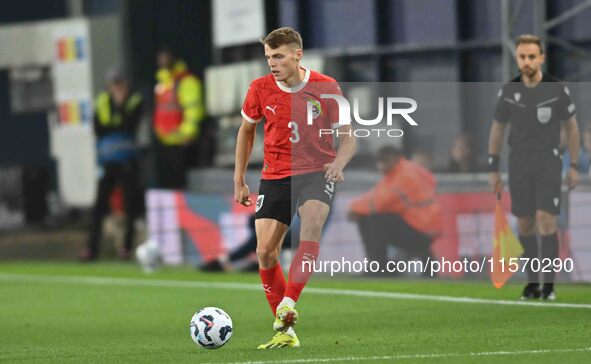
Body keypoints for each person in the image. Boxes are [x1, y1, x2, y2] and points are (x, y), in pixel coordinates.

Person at [233, 27, 356, 349]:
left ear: (297, 55)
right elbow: (246, 131)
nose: (272, 63)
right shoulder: (259, 89)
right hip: (276, 174)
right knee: (264, 251)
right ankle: (285, 330)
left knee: (311, 226)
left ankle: (289, 303)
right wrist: (239, 178)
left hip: (318, 171)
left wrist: (338, 164)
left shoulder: (326, 87)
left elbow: (349, 137)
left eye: (278, 56)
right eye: (268, 57)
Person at [488, 35, 581, 300]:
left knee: (546, 220)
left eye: (531, 57)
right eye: (522, 57)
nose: (526, 62)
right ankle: (532, 283)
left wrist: (573, 164)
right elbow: (497, 128)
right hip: (518, 161)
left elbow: (571, 126)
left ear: (541, 58)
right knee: (526, 223)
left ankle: (549, 285)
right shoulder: (508, 91)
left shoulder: (556, 89)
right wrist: (493, 167)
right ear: (517, 59)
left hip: (548, 159)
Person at [348, 146, 442, 275]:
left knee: (374, 219)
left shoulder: (403, 175)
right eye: (380, 162)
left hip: (421, 229)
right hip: (426, 226)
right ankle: (380, 266)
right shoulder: (407, 169)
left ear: (395, 159)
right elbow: (377, 195)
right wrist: (357, 207)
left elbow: (380, 203)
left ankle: (379, 268)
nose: (381, 166)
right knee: (372, 217)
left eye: (385, 161)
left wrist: (354, 208)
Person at [82, 68, 144, 261]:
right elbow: (99, 128)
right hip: (107, 162)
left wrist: (119, 111)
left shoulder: (134, 101)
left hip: (127, 161)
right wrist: (116, 123)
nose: (117, 88)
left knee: (130, 205)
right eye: (113, 84)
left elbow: (130, 125)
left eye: (120, 84)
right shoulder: (101, 102)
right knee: (99, 207)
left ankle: (126, 247)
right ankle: (91, 249)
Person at [153, 47, 205, 189]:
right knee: (171, 183)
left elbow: (193, 111)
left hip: (183, 142)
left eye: (166, 57)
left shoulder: (186, 81)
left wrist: (188, 134)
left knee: (185, 182)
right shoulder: (163, 82)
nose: (163, 61)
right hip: (167, 141)